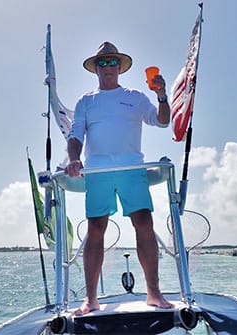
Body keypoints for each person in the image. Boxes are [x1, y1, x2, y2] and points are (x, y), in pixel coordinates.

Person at [65, 41, 174, 315]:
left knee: (144, 225)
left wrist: (162, 95)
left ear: (120, 67)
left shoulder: (136, 96)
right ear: (96, 70)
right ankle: (91, 299)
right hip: (98, 170)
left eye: (112, 62)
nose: (108, 67)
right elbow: (75, 134)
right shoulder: (86, 101)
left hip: (131, 168)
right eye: (102, 63)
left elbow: (161, 121)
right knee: (95, 230)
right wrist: (74, 158)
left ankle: (154, 293)